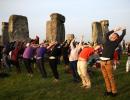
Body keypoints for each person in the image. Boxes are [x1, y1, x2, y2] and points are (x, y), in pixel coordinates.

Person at [100, 27, 126, 96]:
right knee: (105, 78)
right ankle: (109, 91)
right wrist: (114, 30)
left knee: (111, 77)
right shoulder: (107, 41)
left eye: (114, 34)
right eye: (112, 34)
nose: (112, 35)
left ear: (116, 37)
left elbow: (123, 35)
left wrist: (123, 29)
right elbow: (106, 34)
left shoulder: (116, 42)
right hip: (102, 62)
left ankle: (114, 92)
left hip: (107, 62)